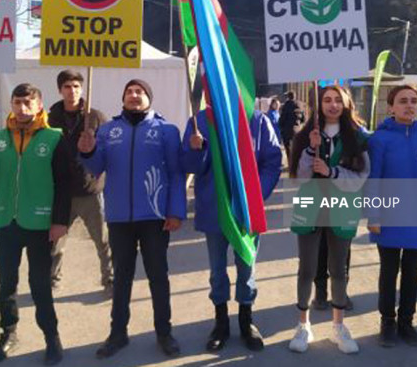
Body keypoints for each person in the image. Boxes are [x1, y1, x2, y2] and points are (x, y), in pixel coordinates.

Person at [0, 83, 70, 365]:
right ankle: (8, 334)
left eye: (27, 102)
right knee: (6, 283)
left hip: (40, 223)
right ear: (11, 104)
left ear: (39, 104)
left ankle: (51, 337)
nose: (22, 108)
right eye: (17, 102)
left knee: (40, 285)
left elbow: (64, 183)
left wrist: (60, 221)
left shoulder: (54, 138)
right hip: (6, 221)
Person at [78, 79, 187, 359]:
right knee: (122, 278)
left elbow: (177, 173)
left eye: (139, 92)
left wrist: (175, 211)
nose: (134, 95)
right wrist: (88, 150)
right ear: (123, 98)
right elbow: (96, 167)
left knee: (158, 277)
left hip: (154, 217)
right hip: (119, 218)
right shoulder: (108, 130)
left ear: (149, 98)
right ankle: (118, 334)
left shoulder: (166, 130)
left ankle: (164, 332)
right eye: (129, 92)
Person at [181, 107, 281, 352]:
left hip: (246, 211)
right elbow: (188, 164)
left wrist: (257, 195)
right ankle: (221, 322)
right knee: (217, 270)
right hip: (214, 208)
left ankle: (246, 321)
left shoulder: (257, 120)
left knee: (246, 268)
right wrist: (197, 149)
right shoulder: (200, 120)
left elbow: (272, 160)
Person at [365, 85, 417, 348]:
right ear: (390, 107)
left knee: (412, 272)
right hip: (388, 217)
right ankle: (387, 322)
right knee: (389, 272)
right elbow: (373, 180)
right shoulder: (379, 140)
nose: (409, 105)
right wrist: (374, 215)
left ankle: (407, 323)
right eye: (403, 101)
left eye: (414, 101)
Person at [288, 86, 369, 354]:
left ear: (347, 103)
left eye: (338, 100)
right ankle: (303, 325)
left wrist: (332, 171)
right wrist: (311, 151)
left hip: (342, 207)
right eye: (327, 100)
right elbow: (299, 178)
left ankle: (338, 326)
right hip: (311, 206)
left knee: (338, 269)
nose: (332, 105)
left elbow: (360, 179)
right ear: (318, 103)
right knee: (307, 268)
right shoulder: (305, 135)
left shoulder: (357, 137)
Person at [47, 70, 112, 293]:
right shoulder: (49, 119)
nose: (72, 91)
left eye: (76, 86)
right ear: (59, 90)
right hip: (61, 191)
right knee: (56, 242)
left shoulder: (95, 117)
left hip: (90, 189)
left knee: (102, 241)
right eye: (67, 86)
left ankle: (109, 279)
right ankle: (53, 280)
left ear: (82, 89)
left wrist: (93, 147)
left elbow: (107, 150)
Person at [278, 91, 304, 162]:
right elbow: (303, 119)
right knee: (296, 147)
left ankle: (291, 163)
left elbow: (283, 118)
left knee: (288, 148)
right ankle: (296, 162)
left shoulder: (286, 105)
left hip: (287, 130)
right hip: (297, 130)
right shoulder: (300, 105)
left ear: (288, 97)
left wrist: (280, 125)